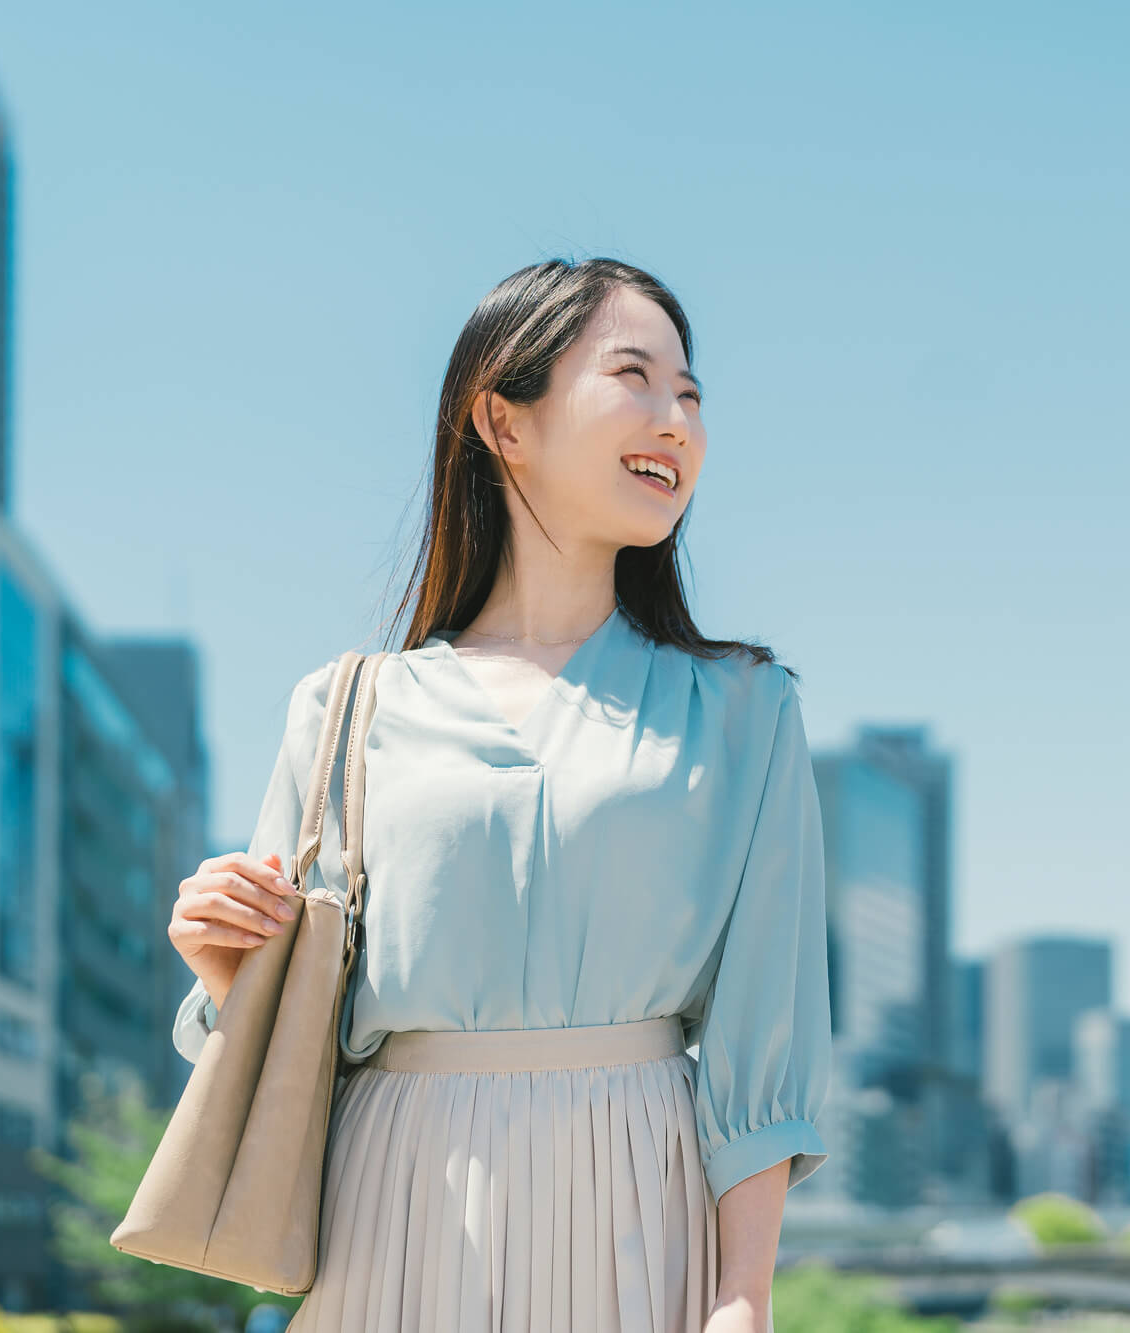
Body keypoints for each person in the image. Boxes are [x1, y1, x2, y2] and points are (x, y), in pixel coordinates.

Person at [163, 258, 832, 1332]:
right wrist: (229, 965)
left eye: (691, 394)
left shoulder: (745, 709)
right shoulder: (345, 712)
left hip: (639, 1211)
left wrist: (740, 1298)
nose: (676, 422)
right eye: (635, 377)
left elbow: (766, 1043)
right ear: (501, 421)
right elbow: (288, 1041)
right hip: (389, 1214)